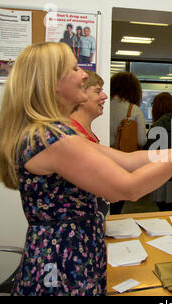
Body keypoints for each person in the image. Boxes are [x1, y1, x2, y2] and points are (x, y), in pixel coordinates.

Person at [0, 42, 172, 296]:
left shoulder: (48, 134)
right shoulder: (52, 138)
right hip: (63, 263)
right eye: (74, 68)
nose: (82, 74)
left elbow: (127, 160)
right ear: (52, 82)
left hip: (68, 253)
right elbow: (127, 188)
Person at [69, 70, 109, 216]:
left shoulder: (84, 131)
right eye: (98, 91)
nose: (104, 96)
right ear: (80, 95)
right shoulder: (73, 134)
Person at [110, 71, 147, 214]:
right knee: (116, 203)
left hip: (98, 158)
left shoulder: (101, 105)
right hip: (123, 163)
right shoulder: (133, 110)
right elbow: (141, 140)